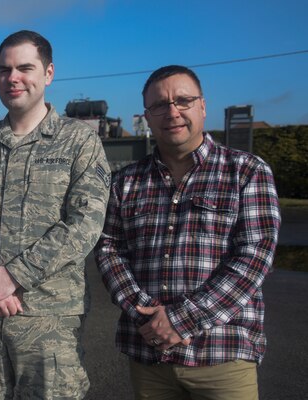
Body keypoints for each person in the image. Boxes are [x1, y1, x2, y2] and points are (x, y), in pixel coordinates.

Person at [94, 65, 281, 400]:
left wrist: (180, 320)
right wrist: (143, 312)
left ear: (203, 106)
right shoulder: (125, 182)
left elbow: (254, 256)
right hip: (149, 356)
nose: (172, 112)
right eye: (159, 106)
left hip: (222, 355)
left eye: (183, 100)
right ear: (147, 117)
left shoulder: (247, 171)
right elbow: (109, 249)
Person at [0, 30, 111, 399]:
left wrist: (14, 276)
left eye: (25, 67)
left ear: (48, 73)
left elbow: (85, 223)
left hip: (49, 318)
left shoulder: (79, 141)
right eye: (4, 69)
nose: (13, 77)